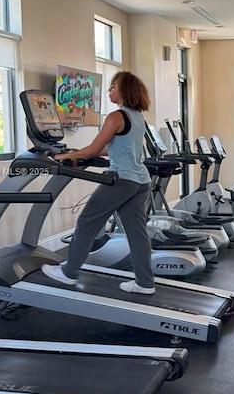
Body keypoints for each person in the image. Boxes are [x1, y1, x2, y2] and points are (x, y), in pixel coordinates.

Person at [42, 71, 155, 295]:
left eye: (113, 87)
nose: (109, 90)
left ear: (125, 90)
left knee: (87, 222)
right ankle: (145, 283)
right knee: (137, 232)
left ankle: (69, 272)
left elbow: (94, 148)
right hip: (141, 181)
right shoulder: (138, 117)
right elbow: (111, 148)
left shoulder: (116, 116)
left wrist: (65, 156)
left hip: (121, 180)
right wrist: (79, 154)